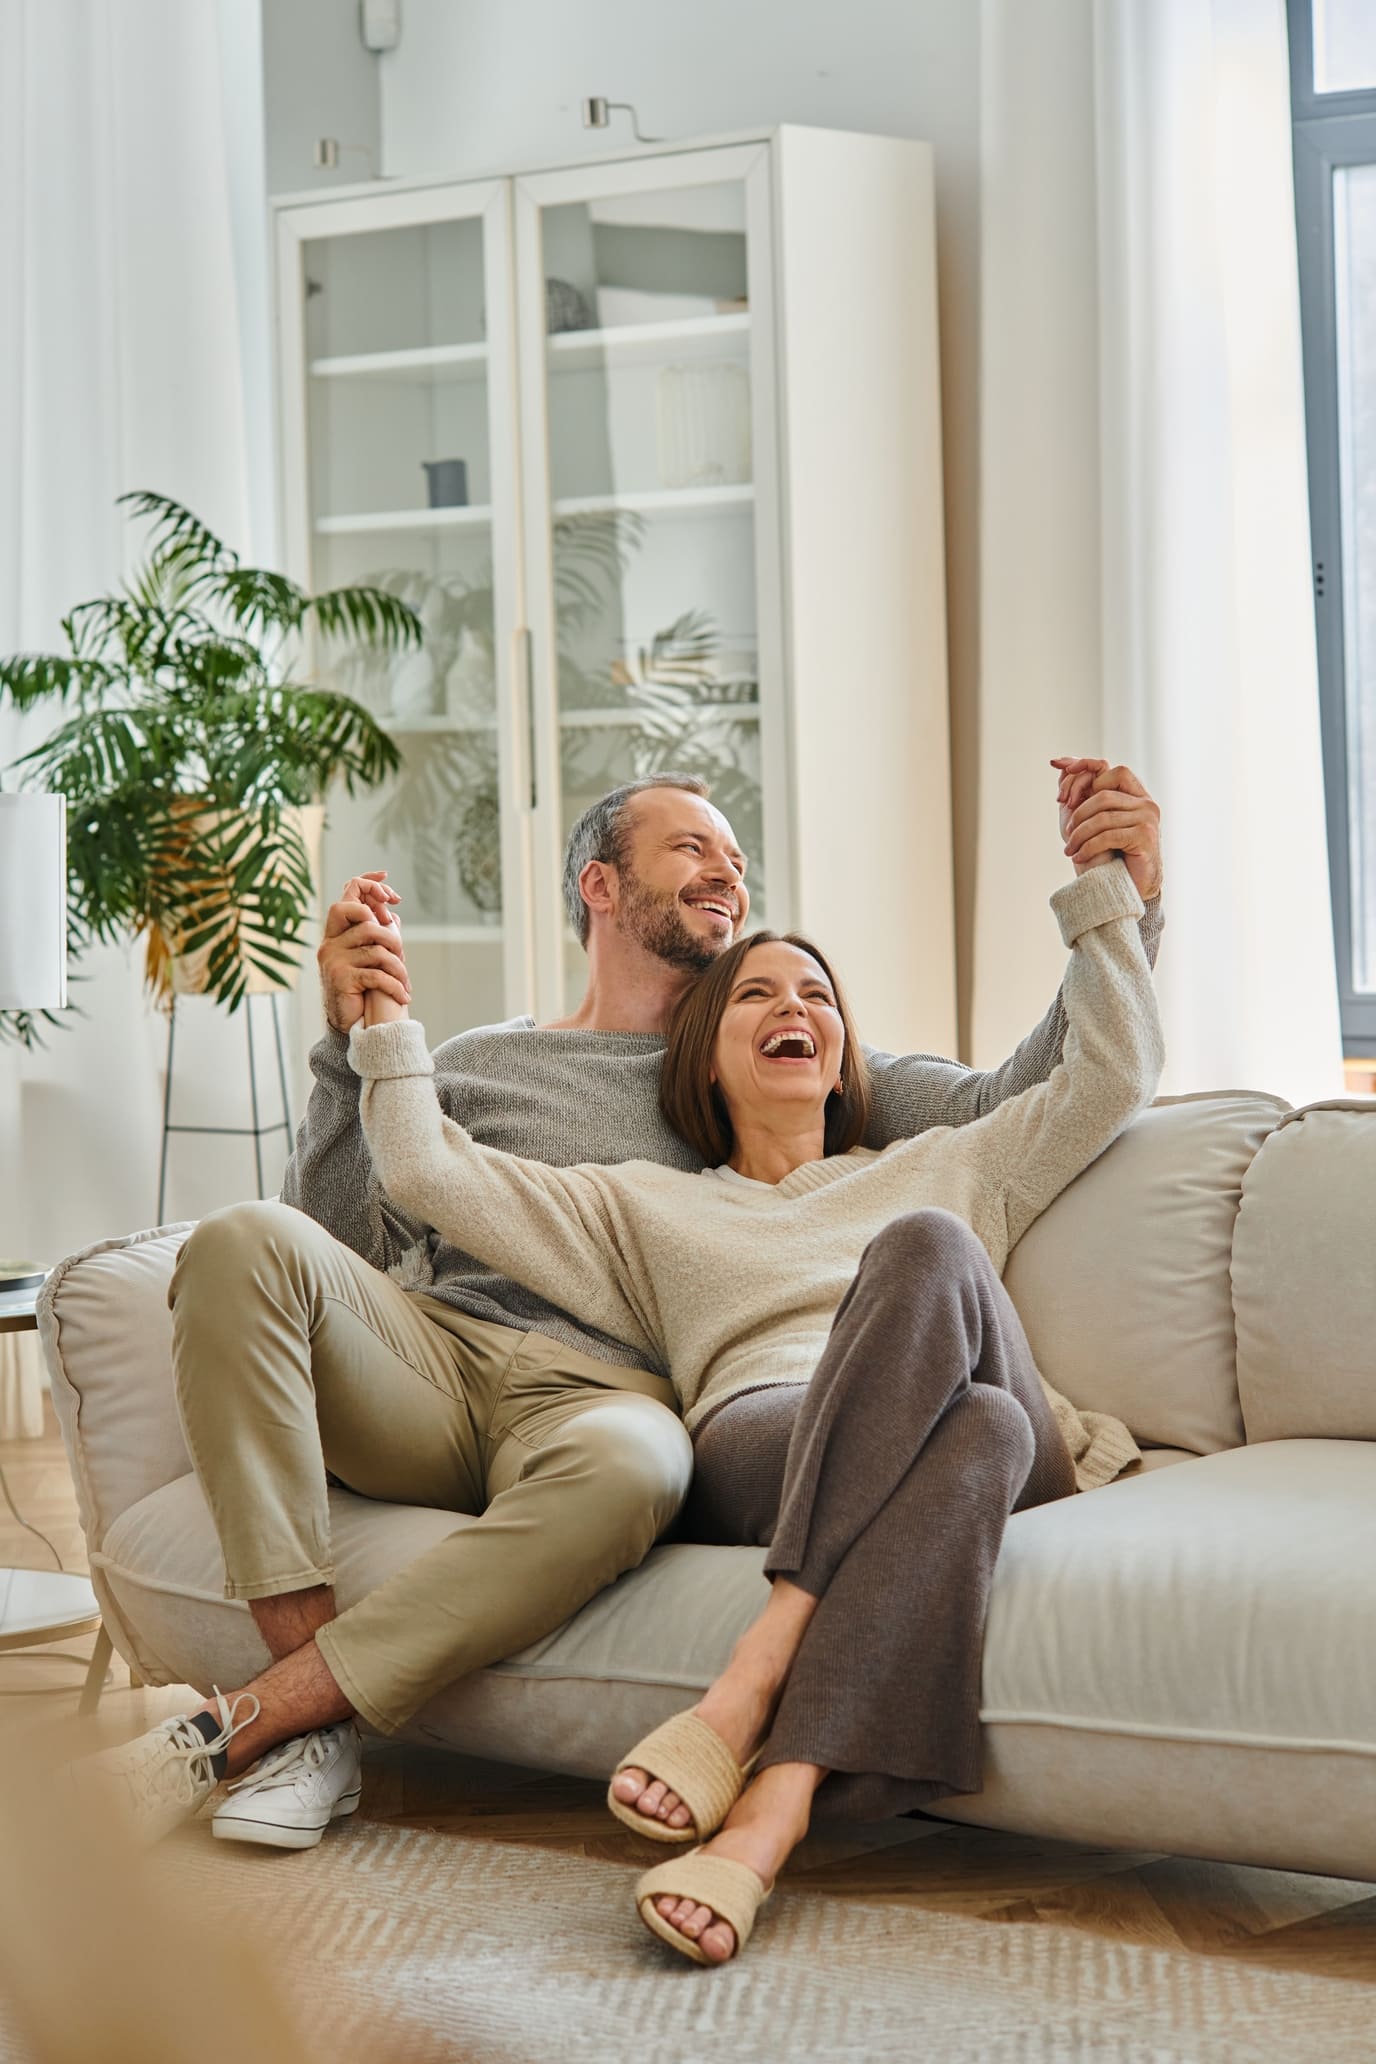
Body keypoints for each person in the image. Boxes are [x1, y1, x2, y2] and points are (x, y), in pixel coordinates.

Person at [73, 758, 1163, 1855]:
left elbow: (1037, 1094)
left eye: (738, 862)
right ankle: (306, 1724)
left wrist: (1122, 897)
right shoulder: (478, 1068)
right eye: (691, 849)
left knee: (656, 1461)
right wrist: (351, 1045)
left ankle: (306, 1717)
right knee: (243, 1240)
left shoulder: (785, 1052)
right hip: (433, 1359)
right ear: (600, 886)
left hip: (599, 1396)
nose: (726, 875)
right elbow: (350, 1234)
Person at [347, 838, 1163, 1967]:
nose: (795, 1006)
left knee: (925, 1249)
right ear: (703, 1059)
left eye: (817, 995)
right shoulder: (640, 1207)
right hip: (770, 1439)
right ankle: (772, 1817)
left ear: (837, 1055)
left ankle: (744, 1684)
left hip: (1001, 1443)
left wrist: (1105, 895)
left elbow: (1110, 1075)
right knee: (979, 1428)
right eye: (758, 993)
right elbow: (428, 1173)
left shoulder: (944, 1162)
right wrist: (384, 1024)